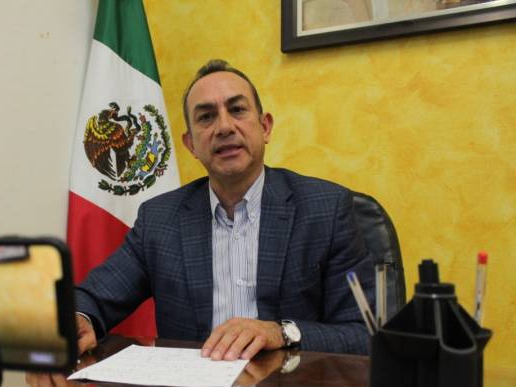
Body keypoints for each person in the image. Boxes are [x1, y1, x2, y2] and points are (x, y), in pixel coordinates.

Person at [73, 59, 374, 360]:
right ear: (191, 144)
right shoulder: (160, 220)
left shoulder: (326, 210)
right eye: (206, 117)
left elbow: (364, 334)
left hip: (288, 386)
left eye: (237, 109)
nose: (225, 127)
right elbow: (94, 298)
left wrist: (282, 333)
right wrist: (79, 319)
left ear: (265, 127)